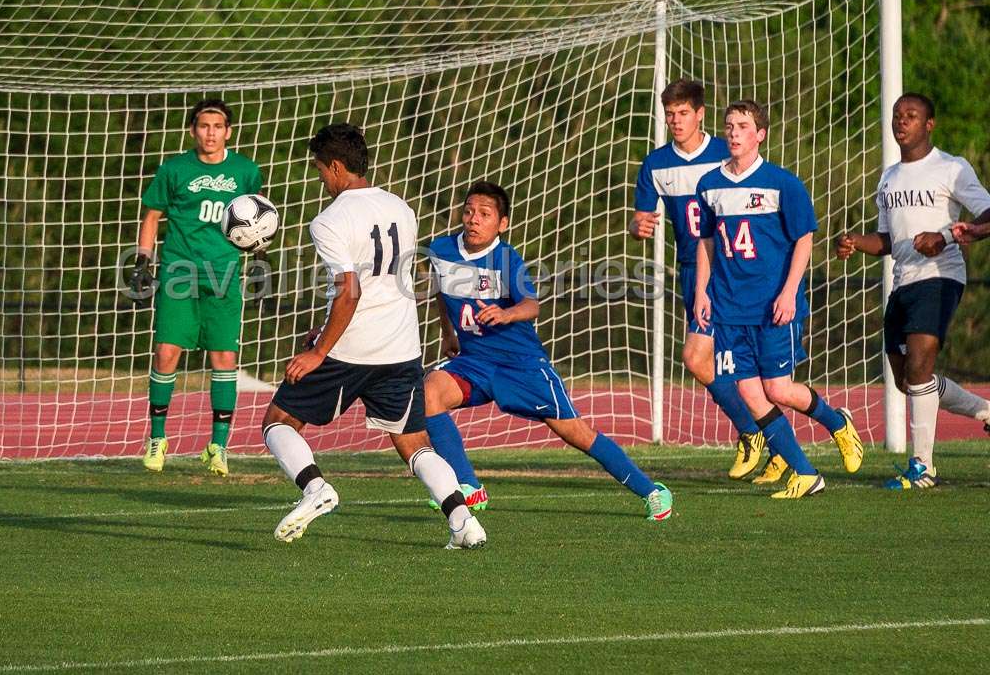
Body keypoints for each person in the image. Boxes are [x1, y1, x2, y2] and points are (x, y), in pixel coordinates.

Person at [260, 123, 487, 549]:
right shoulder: (402, 208)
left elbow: (352, 290)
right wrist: (325, 328)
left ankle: (315, 489)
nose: (320, 179)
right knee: (414, 443)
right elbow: (380, 284)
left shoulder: (329, 220)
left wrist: (318, 351)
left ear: (336, 167)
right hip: (400, 346)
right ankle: (463, 522)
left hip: (351, 348)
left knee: (278, 421)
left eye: (320, 171)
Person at [422, 181, 674, 522]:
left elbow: (531, 305)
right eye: (468, 211)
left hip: (521, 365)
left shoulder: (506, 259)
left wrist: (506, 313)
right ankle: (469, 487)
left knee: (576, 433)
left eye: (484, 214)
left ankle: (652, 491)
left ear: (503, 223)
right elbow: (441, 288)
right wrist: (447, 333)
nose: (473, 220)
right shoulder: (441, 249)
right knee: (429, 393)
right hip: (474, 362)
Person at [695, 100, 864, 499]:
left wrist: (789, 292)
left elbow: (804, 239)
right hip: (728, 307)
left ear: (760, 134)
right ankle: (806, 473)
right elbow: (706, 242)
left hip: (773, 305)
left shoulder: (782, 183)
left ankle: (836, 422)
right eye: (729, 125)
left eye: (743, 125)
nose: (733, 132)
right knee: (750, 394)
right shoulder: (709, 185)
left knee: (779, 390)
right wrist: (703, 290)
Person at [834, 93, 990, 486]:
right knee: (909, 382)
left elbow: (987, 214)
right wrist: (856, 241)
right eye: (897, 116)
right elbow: (887, 241)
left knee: (920, 368)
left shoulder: (951, 168)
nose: (902, 122)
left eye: (911, 116)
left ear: (929, 124)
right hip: (902, 281)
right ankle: (987, 412)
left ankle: (922, 467)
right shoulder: (889, 177)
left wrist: (949, 237)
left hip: (940, 277)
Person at [629, 79, 765, 478]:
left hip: (736, 273)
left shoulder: (727, 152)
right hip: (694, 271)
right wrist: (637, 225)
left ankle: (758, 435)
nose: (675, 120)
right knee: (708, 362)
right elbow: (640, 217)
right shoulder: (656, 164)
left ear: (700, 113)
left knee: (720, 360)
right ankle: (760, 436)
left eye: (683, 113)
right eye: (669, 114)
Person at [130, 99, 263, 476]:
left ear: (228, 132)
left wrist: (259, 258)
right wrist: (143, 259)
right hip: (178, 271)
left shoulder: (245, 171)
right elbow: (152, 215)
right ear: (193, 130)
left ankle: (218, 446)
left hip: (223, 274)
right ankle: (157, 439)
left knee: (224, 359)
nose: (210, 133)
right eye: (204, 126)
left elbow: (255, 219)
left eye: (217, 126)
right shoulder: (174, 169)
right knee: (167, 352)